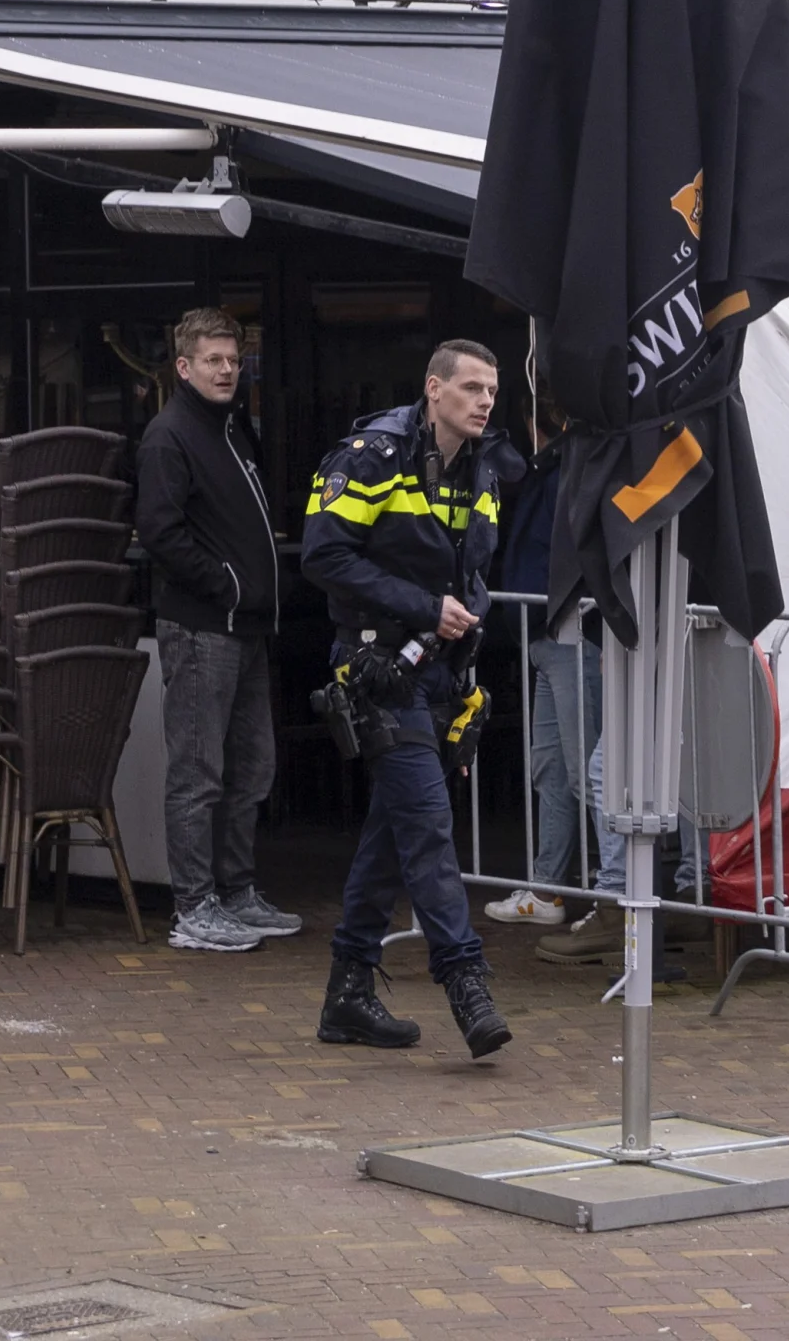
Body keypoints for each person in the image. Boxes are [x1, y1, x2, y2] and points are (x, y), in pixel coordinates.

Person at [303, 337, 520, 1059]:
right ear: (434, 389)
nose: (484, 400)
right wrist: (427, 606)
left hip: (437, 673)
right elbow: (324, 555)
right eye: (470, 388)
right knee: (426, 825)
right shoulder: (373, 455)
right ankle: (465, 981)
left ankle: (347, 995)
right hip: (376, 666)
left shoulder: (485, 466)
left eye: (491, 389)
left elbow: (476, 574)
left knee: (394, 833)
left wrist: (463, 655)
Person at [136, 307, 296, 954]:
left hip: (246, 627)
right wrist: (227, 583)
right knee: (199, 772)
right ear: (184, 367)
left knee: (253, 767)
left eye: (234, 360)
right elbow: (160, 533)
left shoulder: (234, 428)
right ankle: (192, 909)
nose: (228, 370)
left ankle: (236, 892)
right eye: (214, 360)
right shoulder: (169, 436)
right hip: (203, 628)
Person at [480, 394, 593, 934]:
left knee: (586, 770)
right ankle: (551, 887)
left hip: (567, 633)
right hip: (549, 633)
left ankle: (614, 895)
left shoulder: (567, 466)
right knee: (555, 767)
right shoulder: (553, 466)